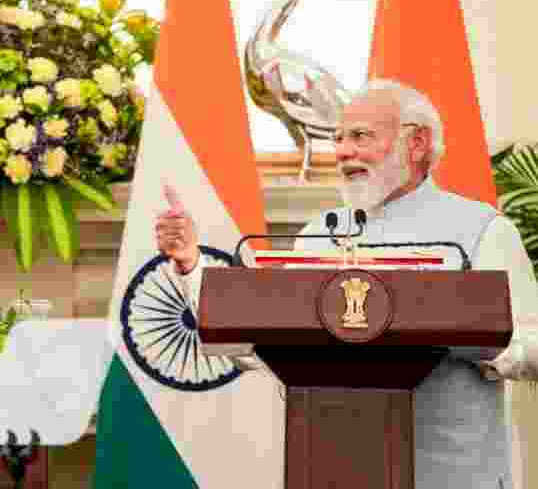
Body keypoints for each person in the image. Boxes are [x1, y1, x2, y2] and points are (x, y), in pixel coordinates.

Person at [156, 79, 537, 488]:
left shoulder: (482, 229)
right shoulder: (319, 233)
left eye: (360, 136)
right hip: (334, 469)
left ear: (418, 143)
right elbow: (259, 344)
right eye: (337, 138)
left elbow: (533, 347)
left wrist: (468, 334)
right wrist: (191, 265)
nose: (342, 151)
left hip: (452, 474)